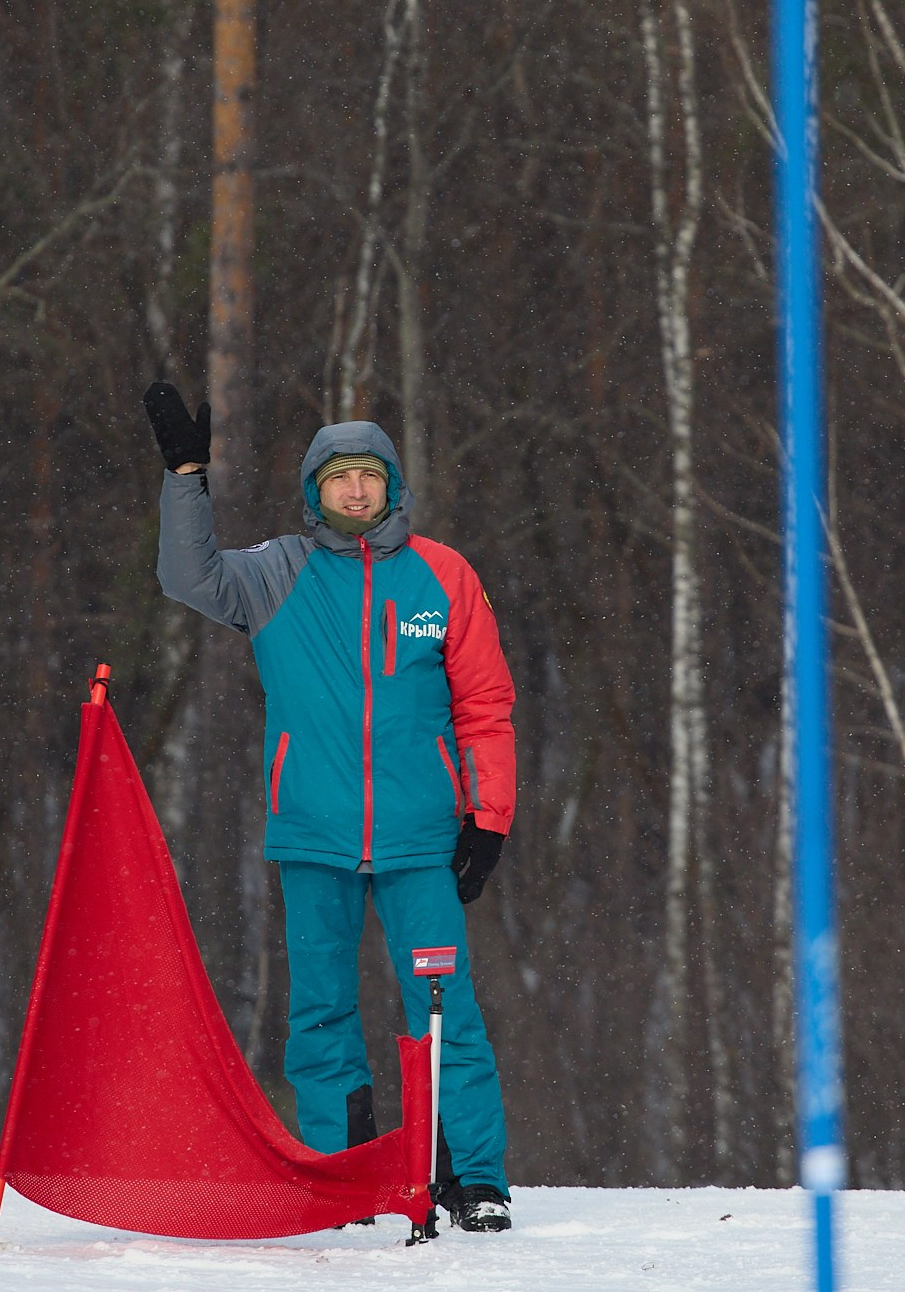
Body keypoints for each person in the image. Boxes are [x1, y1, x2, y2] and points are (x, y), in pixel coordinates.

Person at [147, 382, 517, 1233]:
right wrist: (185, 477)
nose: (356, 491)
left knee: (444, 1010)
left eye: (370, 476)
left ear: (394, 488)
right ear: (315, 491)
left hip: (424, 839)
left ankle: (473, 1179)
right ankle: (344, 1182)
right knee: (320, 1014)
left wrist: (487, 821)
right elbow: (185, 575)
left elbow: (486, 707)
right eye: (339, 477)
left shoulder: (444, 575)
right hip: (313, 836)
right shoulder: (277, 572)